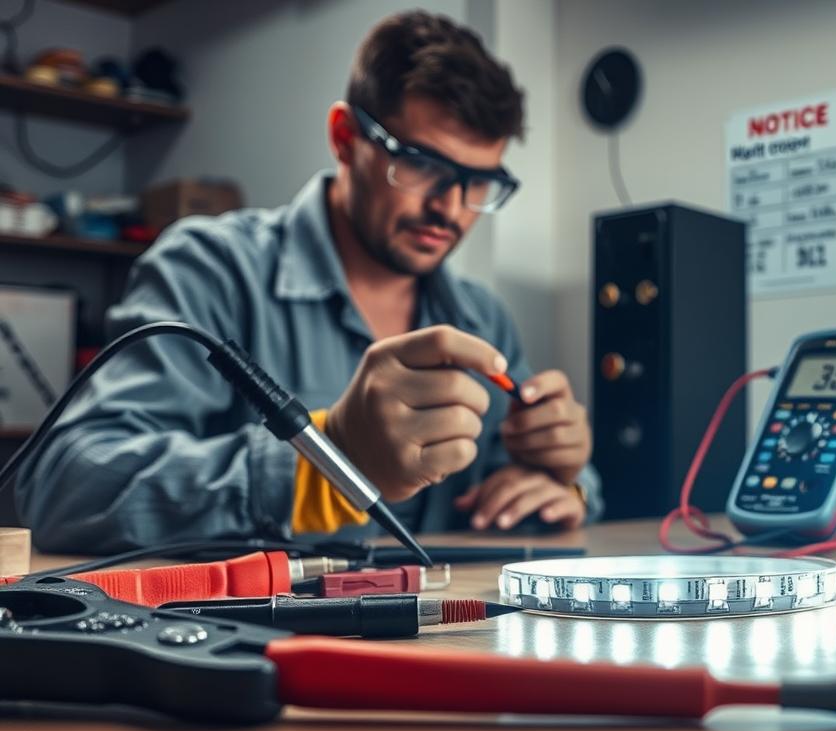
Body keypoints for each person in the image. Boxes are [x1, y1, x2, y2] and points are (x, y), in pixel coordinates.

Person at [16, 11, 600, 553]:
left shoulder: (481, 317)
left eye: (480, 181)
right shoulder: (212, 269)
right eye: (422, 163)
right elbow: (65, 487)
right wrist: (327, 460)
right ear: (346, 138)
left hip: (455, 640)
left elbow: (559, 481)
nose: (451, 209)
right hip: (262, 651)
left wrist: (562, 480)